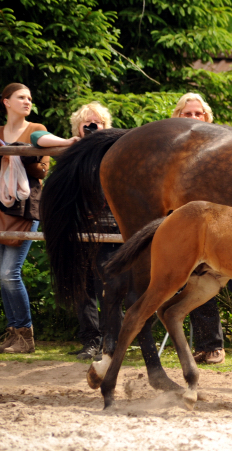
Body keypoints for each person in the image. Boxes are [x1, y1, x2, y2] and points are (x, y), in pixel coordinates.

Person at [33, 101, 114, 360]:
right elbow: (35, 136)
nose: (92, 127)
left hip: (110, 228)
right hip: (79, 228)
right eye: (87, 123)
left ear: (105, 126)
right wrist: (69, 143)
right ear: (77, 127)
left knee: (111, 285)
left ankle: (113, 341)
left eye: (97, 123)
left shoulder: (115, 149)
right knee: (82, 287)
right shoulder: (69, 152)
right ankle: (90, 341)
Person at [171, 92, 232, 365]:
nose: (192, 118)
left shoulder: (219, 147)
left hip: (210, 225)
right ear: (177, 117)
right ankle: (202, 346)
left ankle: (212, 345)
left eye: (197, 114)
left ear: (207, 118)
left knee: (204, 279)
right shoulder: (169, 150)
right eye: (187, 114)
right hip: (177, 225)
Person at [0, 83, 49, 354]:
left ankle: (26, 335)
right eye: (21, 97)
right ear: (6, 102)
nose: (27, 101)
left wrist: (20, 153)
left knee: (9, 273)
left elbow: (42, 170)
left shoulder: (36, 129)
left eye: (30, 97)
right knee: (1, 275)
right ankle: (13, 333)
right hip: (0, 206)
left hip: (25, 208)